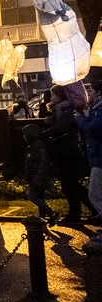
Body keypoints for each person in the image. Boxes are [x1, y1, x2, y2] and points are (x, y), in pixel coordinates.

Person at [44, 84, 97, 223]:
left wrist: (46, 132)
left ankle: (76, 213)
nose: (51, 98)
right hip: (66, 150)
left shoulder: (65, 109)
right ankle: (90, 210)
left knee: (69, 184)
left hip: (67, 151)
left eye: (54, 95)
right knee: (71, 184)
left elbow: (62, 127)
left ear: (60, 96)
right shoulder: (60, 109)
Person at [76, 81, 102, 225]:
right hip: (96, 156)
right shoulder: (94, 109)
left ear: (98, 93)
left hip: (100, 157)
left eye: (90, 91)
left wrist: (81, 119)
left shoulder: (100, 110)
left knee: (94, 193)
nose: (88, 94)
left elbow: (94, 128)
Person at [24, 124, 58, 221]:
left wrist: (37, 176)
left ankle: (51, 212)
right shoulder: (34, 145)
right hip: (37, 175)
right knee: (40, 197)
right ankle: (42, 218)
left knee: (32, 197)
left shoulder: (37, 145)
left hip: (38, 175)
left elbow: (42, 162)